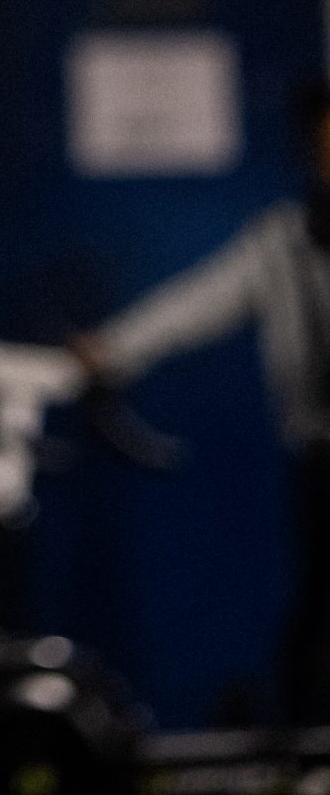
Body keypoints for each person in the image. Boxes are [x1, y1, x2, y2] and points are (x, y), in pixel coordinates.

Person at [77, 77, 330, 724]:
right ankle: (305, 737)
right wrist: (113, 347)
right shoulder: (283, 241)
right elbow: (198, 302)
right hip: (319, 455)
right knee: (316, 604)